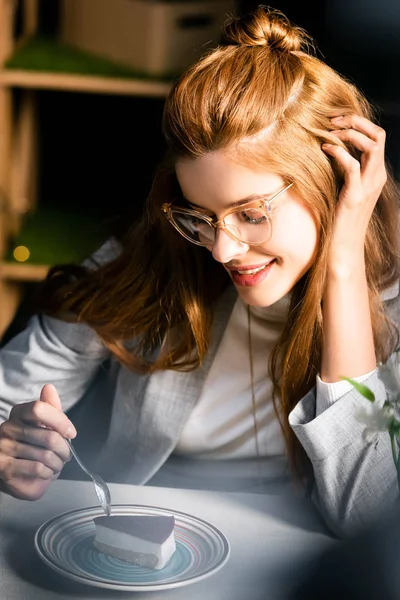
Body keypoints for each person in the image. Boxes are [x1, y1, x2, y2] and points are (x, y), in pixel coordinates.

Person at [0, 5, 399, 540]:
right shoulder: (154, 258)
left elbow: (369, 519)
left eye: (253, 215)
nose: (222, 250)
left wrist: (343, 266)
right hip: (138, 540)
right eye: (202, 217)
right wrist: (10, 444)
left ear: (332, 185)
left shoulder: (390, 300)